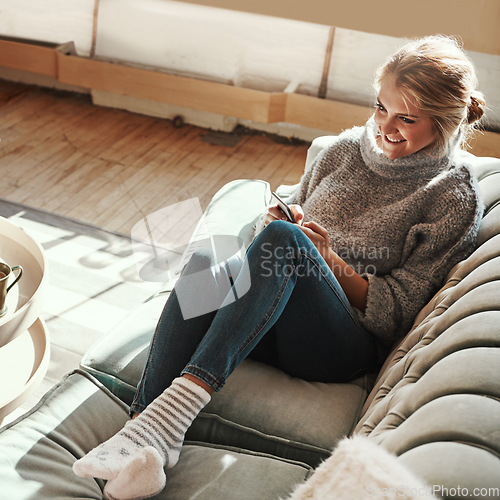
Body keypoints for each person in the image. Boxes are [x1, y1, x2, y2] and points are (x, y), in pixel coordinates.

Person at [73, 35, 486, 499]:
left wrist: (327, 260)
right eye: (380, 108)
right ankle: (141, 443)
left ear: (445, 123)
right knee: (207, 263)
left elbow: (400, 310)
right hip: (262, 316)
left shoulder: (451, 197)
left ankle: (169, 420)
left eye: (407, 119)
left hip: (335, 344)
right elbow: (292, 210)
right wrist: (277, 217)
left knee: (286, 243)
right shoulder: (343, 150)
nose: (386, 127)